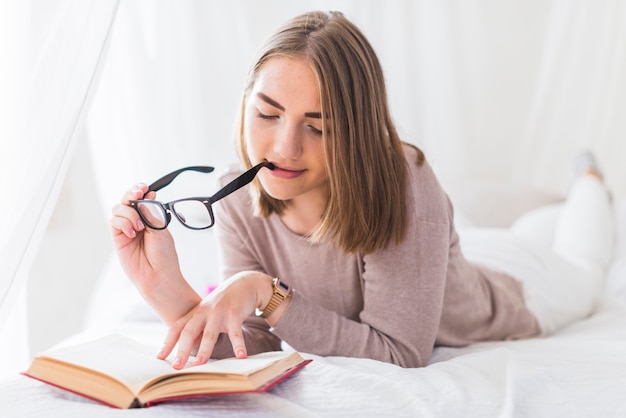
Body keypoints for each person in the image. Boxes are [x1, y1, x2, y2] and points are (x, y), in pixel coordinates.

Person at [110, 10, 615, 369]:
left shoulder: (403, 183)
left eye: (320, 126)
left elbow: (400, 351)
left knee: (584, 260)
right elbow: (257, 340)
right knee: (517, 227)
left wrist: (266, 290)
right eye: (266, 114)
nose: (284, 147)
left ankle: (589, 180)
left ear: (358, 131)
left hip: (523, 288)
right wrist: (166, 291)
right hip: (437, 262)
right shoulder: (237, 192)